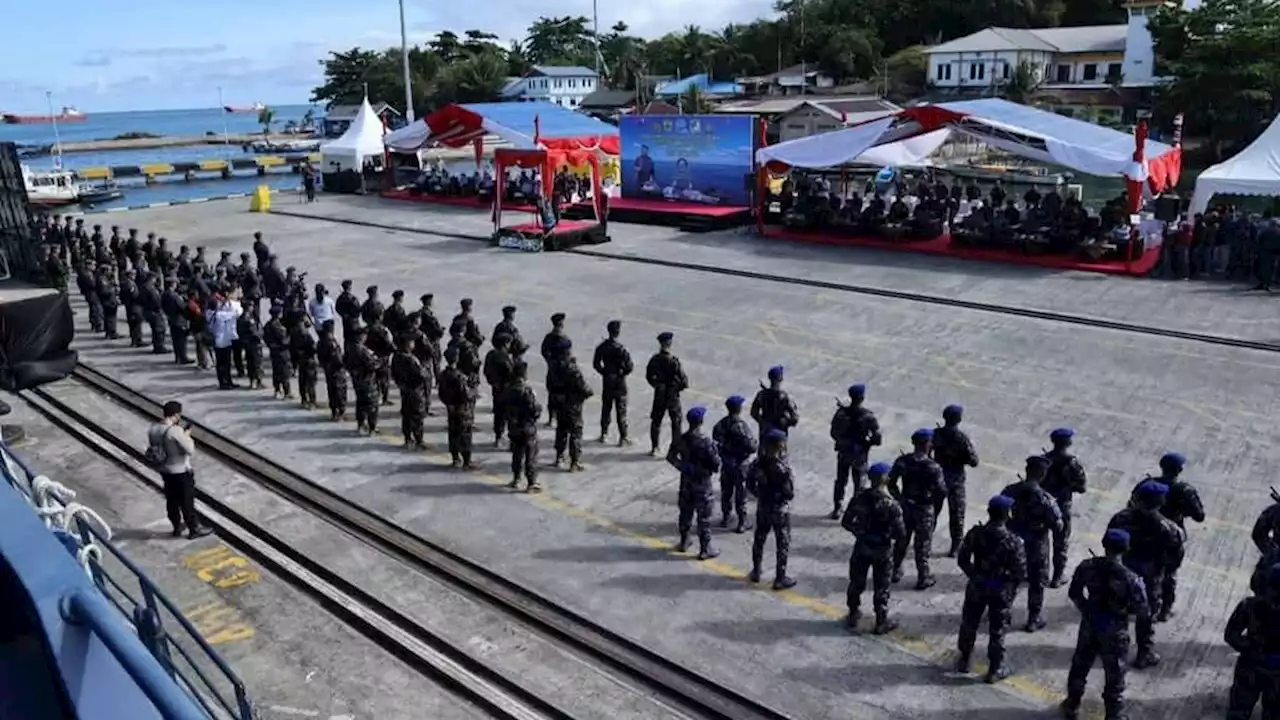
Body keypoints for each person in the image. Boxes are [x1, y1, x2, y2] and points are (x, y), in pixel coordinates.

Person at [1060, 530, 1149, 720]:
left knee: (1080, 666)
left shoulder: (1087, 566)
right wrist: (1121, 611)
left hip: (1090, 623)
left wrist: (1087, 609)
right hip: (1115, 630)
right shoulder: (1130, 578)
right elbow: (1142, 609)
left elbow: (1074, 592)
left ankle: (1072, 705)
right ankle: (1113, 715)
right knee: (1115, 674)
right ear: (1126, 549)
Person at [1106, 480, 1183, 669]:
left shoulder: (1121, 518)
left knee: (1117, 608)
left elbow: (1110, 540)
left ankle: (1111, 646)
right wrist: (1168, 568)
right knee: (1146, 615)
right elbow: (1178, 548)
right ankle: (1144, 653)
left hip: (1123, 569)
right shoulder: (1166, 526)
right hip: (1150, 574)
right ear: (1160, 502)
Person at [955, 495, 1026, 683]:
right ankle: (994, 669)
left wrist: (976, 576)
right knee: (997, 630)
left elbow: (962, 559)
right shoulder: (1013, 542)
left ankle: (964, 659)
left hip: (977, 585)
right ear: (1008, 514)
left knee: (970, 622)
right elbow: (1020, 572)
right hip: (1000, 590)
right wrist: (1008, 587)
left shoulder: (976, 533)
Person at [1130, 452, 1204, 621]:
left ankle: (1136, 603)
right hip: (1169, 537)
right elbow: (1199, 516)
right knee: (1168, 574)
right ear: (1179, 470)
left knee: (1139, 569)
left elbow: (1131, 505)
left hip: (1142, 533)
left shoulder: (1146, 484)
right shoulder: (1184, 490)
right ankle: (1164, 610)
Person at [842, 462, 906, 635]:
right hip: (882, 550)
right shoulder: (891, 505)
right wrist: (887, 536)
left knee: (856, 582)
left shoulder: (860, 497)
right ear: (885, 479)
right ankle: (881, 621)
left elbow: (846, 522)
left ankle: (853, 613)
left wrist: (860, 534)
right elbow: (901, 533)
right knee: (881, 586)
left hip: (862, 546)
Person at [1001, 456, 1063, 632]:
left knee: (1011, 577)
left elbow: (999, 513)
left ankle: (1003, 614)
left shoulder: (1010, 490)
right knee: (1037, 581)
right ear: (1042, 474)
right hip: (1036, 544)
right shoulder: (1045, 499)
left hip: (1013, 541)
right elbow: (1058, 526)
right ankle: (1033, 619)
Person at [889, 429, 947, 589]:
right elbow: (941, 491)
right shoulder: (933, 467)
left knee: (902, 540)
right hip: (924, 509)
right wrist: (932, 503)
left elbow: (891, 482)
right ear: (928, 445)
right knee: (922, 545)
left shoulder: (902, 461)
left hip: (906, 506)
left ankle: (894, 571)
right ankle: (923, 576)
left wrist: (899, 498)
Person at [146, 401, 212, 539]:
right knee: (187, 501)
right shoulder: (175, 431)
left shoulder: (153, 428)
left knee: (172, 500)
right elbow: (190, 450)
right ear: (176, 415)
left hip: (165, 470)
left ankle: (176, 526)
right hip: (180, 471)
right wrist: (186, 435)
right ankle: (194, 529)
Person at [1225, 563, 1280, 720]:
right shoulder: (1251, 606)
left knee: (1240, 711)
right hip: (1257, 669)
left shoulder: (1250, 605)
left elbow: (1231, 635)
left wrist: (1250, 649)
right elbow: (1231, 635)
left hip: (1252, 667)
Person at [666, 406, 720, 559]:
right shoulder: (706, 443)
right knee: (704, 518)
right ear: (701, 422)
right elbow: (716, 465)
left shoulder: (681, 439)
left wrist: (684, 467)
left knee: (685, 513)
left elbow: (671, 457)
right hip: (702, 484)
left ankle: (684, 541)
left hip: (686, 482)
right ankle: (705, 548)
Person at [747, 429, 795, 588]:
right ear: (780, 445)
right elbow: (789, 493)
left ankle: (756, 571)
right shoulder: (783, 468)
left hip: (763, 507)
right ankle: (780, 578)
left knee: (759, 539)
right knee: (782, 542)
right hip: (780, 510)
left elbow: (749, 484)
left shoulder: (757, 462)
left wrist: (760, 494)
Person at [931, 404, 980, 557]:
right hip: (955, 480)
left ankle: (925, 541)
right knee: (957, 514)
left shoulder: (936, 434)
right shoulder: (961, 438)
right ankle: (955, 547)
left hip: (937, 477)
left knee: (932, 512)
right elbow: (974, 461)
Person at [1043, 427, 1088, 588]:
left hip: (1044, 504)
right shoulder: (1072, 462)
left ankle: (1039, 572)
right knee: (1060, 541)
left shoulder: (1044, 459)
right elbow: (1082, 488)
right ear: (1067, 442)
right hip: (1062, 505)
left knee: (1040, 539)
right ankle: (1057, 576)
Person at [829, 383, 881, 519]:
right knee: (859, 485)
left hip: (844, 452)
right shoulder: (868, 416)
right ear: (862, 397)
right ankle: (856, 512)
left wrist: (842, 440)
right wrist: (868, 443)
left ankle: (837, 508)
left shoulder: (841, 413)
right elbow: (878, 439)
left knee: (841, 481)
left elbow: (833, 433)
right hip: (860, 454)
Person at [712, 395, 757, 532]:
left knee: (726, 491)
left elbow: (716, 442)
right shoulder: (741, 426)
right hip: (740, 464)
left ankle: (726, 517)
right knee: (741, 493)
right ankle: (742, 522)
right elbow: (752, 446)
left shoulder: (720, 424)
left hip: (726, 463)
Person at [549, 338, 592, 471]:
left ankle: (559, 456)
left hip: (559, 403)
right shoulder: (573, 369)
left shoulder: (553, 367)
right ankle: (574, 461)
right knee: (575, 432)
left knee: (561, 429)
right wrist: (585, 394)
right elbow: (583, 388)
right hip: (573, 405)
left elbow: (549, 385)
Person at [646, 331, 687, 456]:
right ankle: (675, 448)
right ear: (670, 344)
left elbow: (648, 376)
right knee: (676, 421)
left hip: (660, 393)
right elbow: (684, 380)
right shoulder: (674, 361)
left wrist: (657, 385)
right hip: (672, 394)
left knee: (656, 420)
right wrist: (677, 388)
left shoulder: (655, 359)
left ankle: (655, 447)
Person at [593, 320, 633, 445]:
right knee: (621, 410)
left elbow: (596, 363)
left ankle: (604, 433)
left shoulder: (602, 347)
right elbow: (630, 366)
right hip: (620, 383)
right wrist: (622, 373)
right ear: (618, 332)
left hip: (607, 381)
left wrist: (604, 372)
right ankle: (623, 437)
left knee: (606, 408)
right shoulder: (621, 349)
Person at [504, 362, 542, 492]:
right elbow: (534, 411)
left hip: (514, 427)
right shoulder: (527, 391)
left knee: (517, 454)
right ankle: (531, 482)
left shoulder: (508, 389)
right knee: (530, 455)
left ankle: (516, 478)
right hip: (527, 427)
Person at [439, 346, 479, 469]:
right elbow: (466, 394)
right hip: (462, 410)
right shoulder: (459, 376)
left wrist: (448, 404)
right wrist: (473, 389)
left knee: (453, 433)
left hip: (451, 409)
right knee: (465, 435)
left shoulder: (443, 375)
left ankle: (455, 458)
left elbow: (441, 393)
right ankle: (467, 461)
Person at [750, 365, 799, 438]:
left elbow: (754, 412)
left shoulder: (762, 394)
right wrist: (785, 422)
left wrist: (762, 422)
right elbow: (795, 418)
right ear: (781, 378)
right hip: (780, 435)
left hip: (765, 433)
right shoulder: (786, 397)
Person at [540, 313, 571, 427]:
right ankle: (558, 417)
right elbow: (568, 354)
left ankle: (551, 418)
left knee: (552, 394)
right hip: (562, 370)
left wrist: (550, 361)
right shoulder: (565, 339)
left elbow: (544, 351)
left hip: (553, 369)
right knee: (561, 394)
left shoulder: (549, 337)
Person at [208, 294, 243, 390]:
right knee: (225, 364)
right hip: (223, 342)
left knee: (220, 364)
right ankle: (226, 382)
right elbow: (236, 313)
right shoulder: (220, 315)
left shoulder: (209, 313)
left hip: (217, 341)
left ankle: (224, 381)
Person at [264, 305, 293, 399]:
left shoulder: (268, 325)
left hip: (274, 351)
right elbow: (283, 339)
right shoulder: (277, 326)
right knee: (284, 372)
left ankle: (277, 390)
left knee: (276, 371)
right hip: (281, 351)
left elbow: (265, 338)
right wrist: (290, 339)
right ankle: (287, 392)